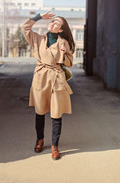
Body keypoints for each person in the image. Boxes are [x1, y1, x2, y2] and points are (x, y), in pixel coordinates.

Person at [20, 11, 75, 160]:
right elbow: (24, 27)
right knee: (40, 111)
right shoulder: (38, 39)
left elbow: (70, 63)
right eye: (52, 21)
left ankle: (54, 145)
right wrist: (38, 17)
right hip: (40, 77)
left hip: (56, 78)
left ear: (61, 29)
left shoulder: (63, 43)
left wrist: (63, 54)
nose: (52, 23)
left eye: (56, 23)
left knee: (56, 113)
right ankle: (40, 139)